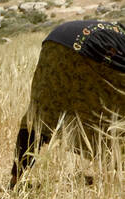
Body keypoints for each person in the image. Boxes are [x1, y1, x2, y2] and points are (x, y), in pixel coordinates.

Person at [9, 19, 125, 186]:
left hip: (55, 41)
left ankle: (16, 179)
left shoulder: (116, 32)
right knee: (116, 110)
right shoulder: (118, 40)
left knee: (41, 114)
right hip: (94, 46)